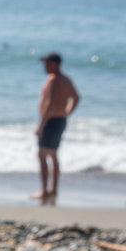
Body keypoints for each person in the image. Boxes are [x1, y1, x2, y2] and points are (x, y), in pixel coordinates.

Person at [33, 52, 80, 205]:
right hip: (60, 120)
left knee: (42, 154)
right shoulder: (66, 79)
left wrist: (41, 125)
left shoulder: (53, 80)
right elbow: (76, 97)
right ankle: (53, 189)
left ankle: (44, 190)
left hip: (51, 121)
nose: (44, 66)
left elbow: (50, 103)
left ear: (54, 64)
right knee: (53, 154)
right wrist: (67, 112)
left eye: (47, 63)